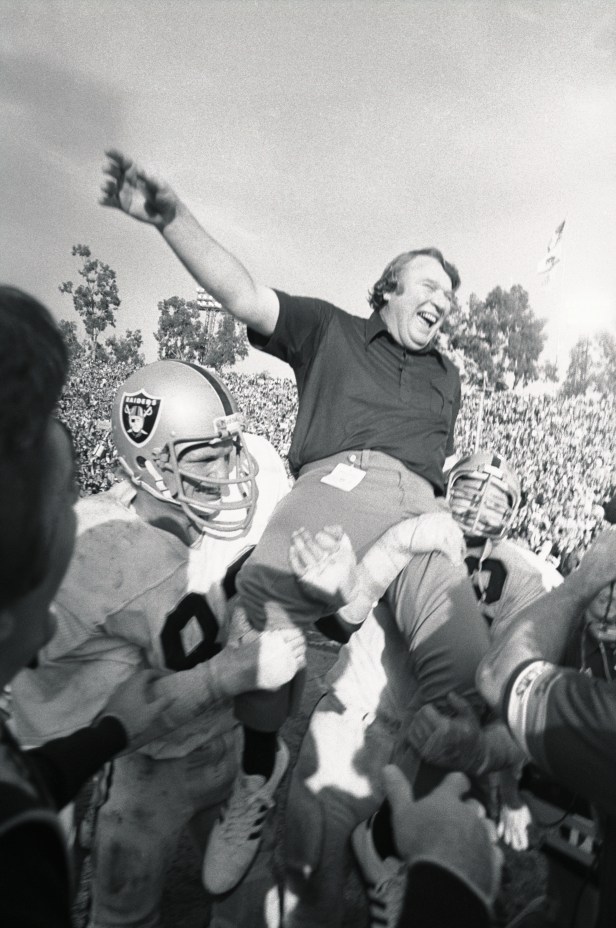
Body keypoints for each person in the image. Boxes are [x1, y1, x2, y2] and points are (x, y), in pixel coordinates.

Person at [99, 150, 467, 893]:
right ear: (389, 286)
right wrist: (172, 220)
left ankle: (396, 834)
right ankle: (258, 779)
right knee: (269, 611)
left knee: (464, 664)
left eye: (452, 295)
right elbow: (243, 294)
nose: (446, 302)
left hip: (422, 513)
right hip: (337, 486)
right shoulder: (330, 330)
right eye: (432, 285)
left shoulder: (448, 376)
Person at [11, 359, 306, 928]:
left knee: (248, 901)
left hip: (214, 736)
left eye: (230, 447)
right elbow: (155, 692)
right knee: (116, 901)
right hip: (136, 753)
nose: (230, 468)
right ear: (150, 467)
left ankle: (258, 773)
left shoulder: (202, 508)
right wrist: (239, 668)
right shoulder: (107, 551)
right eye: (207, 456)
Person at [282, 451, 561, 928]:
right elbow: (342, 612)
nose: (476, 506)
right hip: (359, 719)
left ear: (511, 512)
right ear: (446, 488)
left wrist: (506, 787)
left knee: (416, 898)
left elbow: (514, 692)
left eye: (492, 499)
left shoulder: (522, 576)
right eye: (469, 490)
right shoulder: (406, 531)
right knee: (309, 878)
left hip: (434, 745)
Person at [477, 527, 616, 928]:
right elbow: (516, 716)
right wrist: (509, 791)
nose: (607, 597)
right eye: (603, 586)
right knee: (567, 902)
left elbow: (499, 679)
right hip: (564, 796)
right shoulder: (560, 636)